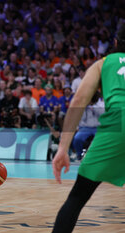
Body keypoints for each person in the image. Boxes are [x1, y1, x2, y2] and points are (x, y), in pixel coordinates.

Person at [52, 25, 125, 233]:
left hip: (118, 124)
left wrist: (63, 148)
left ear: (116, 43)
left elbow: (79, 100)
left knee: (77, 198)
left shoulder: (103, 64)